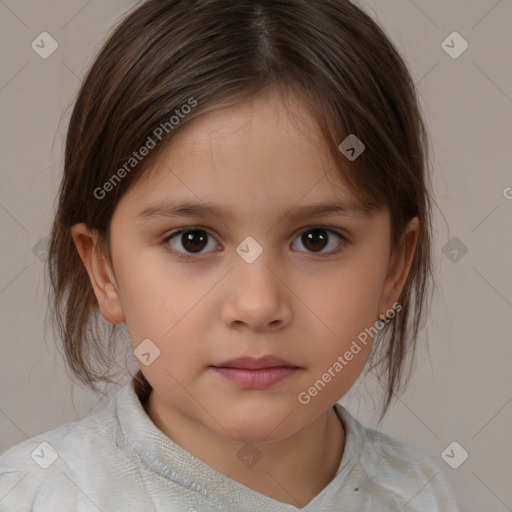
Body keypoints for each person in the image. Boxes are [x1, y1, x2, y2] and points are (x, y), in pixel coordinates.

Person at [0, 0, 460, 510]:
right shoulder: (32, 496)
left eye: (316, 239)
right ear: (103, 269)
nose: (257, 305)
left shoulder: (420, 493)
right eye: (193, 239)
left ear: (395, 268)